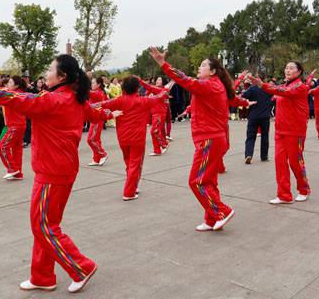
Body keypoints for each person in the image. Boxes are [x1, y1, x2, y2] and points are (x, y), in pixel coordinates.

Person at [0, 54, 121, 293]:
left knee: (42, 226)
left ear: (62, 77)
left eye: (50, 69)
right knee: (47, 223)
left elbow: (11, 97)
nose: (46, 73)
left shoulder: (52, 100)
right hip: (60, 169)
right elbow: (94, 113)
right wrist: (110, 114)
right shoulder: (74, 98)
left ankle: (81, 267)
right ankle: (42, 276)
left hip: (52, 171)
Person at [148, 46, 236, 232]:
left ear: (212, 71)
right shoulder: (212, 86)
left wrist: (163, 63)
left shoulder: (210, 85)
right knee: (208, 181)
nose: (199, 67)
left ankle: (222, 212)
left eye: (203, 65)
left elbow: (185, 80)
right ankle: (211, 219)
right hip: (212, 138)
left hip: (209, 139)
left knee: (196, 180)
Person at [94, 76, 171, 200]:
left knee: (129, 163)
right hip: (137, 139)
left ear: (123, 87)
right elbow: (160, 95)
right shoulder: (144, 101)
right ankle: (129, 192)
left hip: (123, 139)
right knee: (135, 165)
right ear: (137, 88)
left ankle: (133, 185)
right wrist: (167, 87)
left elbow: (97, 106)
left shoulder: (118, 101)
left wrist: (108, 115)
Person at [250, 62, 310, 204]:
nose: (287, 70)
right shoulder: (284, 86)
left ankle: (304, 189)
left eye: (291, 68)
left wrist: (263, 85)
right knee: (280, 162)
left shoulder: (299, 86)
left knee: (295, 162)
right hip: (281, 130)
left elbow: (284, 92)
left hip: (295, 131)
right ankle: (284, 195)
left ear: (299, 72)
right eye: (286, 68)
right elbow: (277, 92)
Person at [0, 76, 29, 180]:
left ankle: (12, 169)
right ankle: (18, 174)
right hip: (18, 125)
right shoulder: (18, 94)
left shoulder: (13, 95)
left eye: (10, 83)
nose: (7, 85)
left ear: (16, 85)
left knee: (2, 147)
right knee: (16, 150)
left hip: (15, 126)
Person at [242, 73, 273, 163]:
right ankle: (264, 156)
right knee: (265, 136)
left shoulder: (252, 88)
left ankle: (248, 154)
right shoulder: (269, 88)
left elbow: (243, 96)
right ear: (265, 79)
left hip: (253, 116)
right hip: (265, 116)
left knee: (250, 136)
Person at [138, 76, 170, 156]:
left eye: (160, 80)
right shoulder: (154, 90)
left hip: (159, 113)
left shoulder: (161, 90)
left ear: (163, 82)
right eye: (157, 80)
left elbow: (149, 87)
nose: (157, 81)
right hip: (154, 113)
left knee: (154, 131)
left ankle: (164, 143)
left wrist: (140, 80)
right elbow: (146, 97)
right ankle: (157, 150)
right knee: (155, 132)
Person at [86, 77, 109, 166]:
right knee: (96, 139)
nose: (91, 85)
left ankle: (103, 154)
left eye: (93, 83)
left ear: (98, 84)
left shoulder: (98, 93)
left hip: (97, 119)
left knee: (91, 140)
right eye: (91, 83)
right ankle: (96, 159)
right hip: (95, 119)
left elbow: (87, 92)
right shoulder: (98, 92)